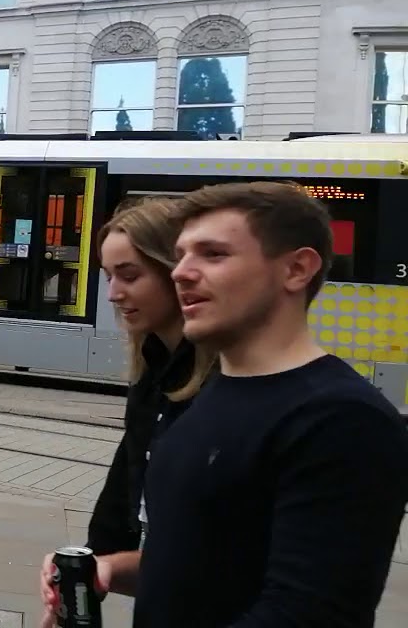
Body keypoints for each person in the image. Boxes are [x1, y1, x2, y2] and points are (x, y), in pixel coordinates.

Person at [45, 181, 408, 627]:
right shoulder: (208, 397)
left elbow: (307, 612)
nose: (181, 272)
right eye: (181, 256)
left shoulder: (344, 418)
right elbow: (197, 561)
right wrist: (109, 569)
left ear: (297, 269)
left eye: (213, 254)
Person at [37, 197, 217, 626]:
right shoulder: (151, 370)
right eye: (109, 277)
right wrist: (81, 580)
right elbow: (125, 491)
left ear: (175, 272)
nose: (114, 294)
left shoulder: (222, 384)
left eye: (130, 275)